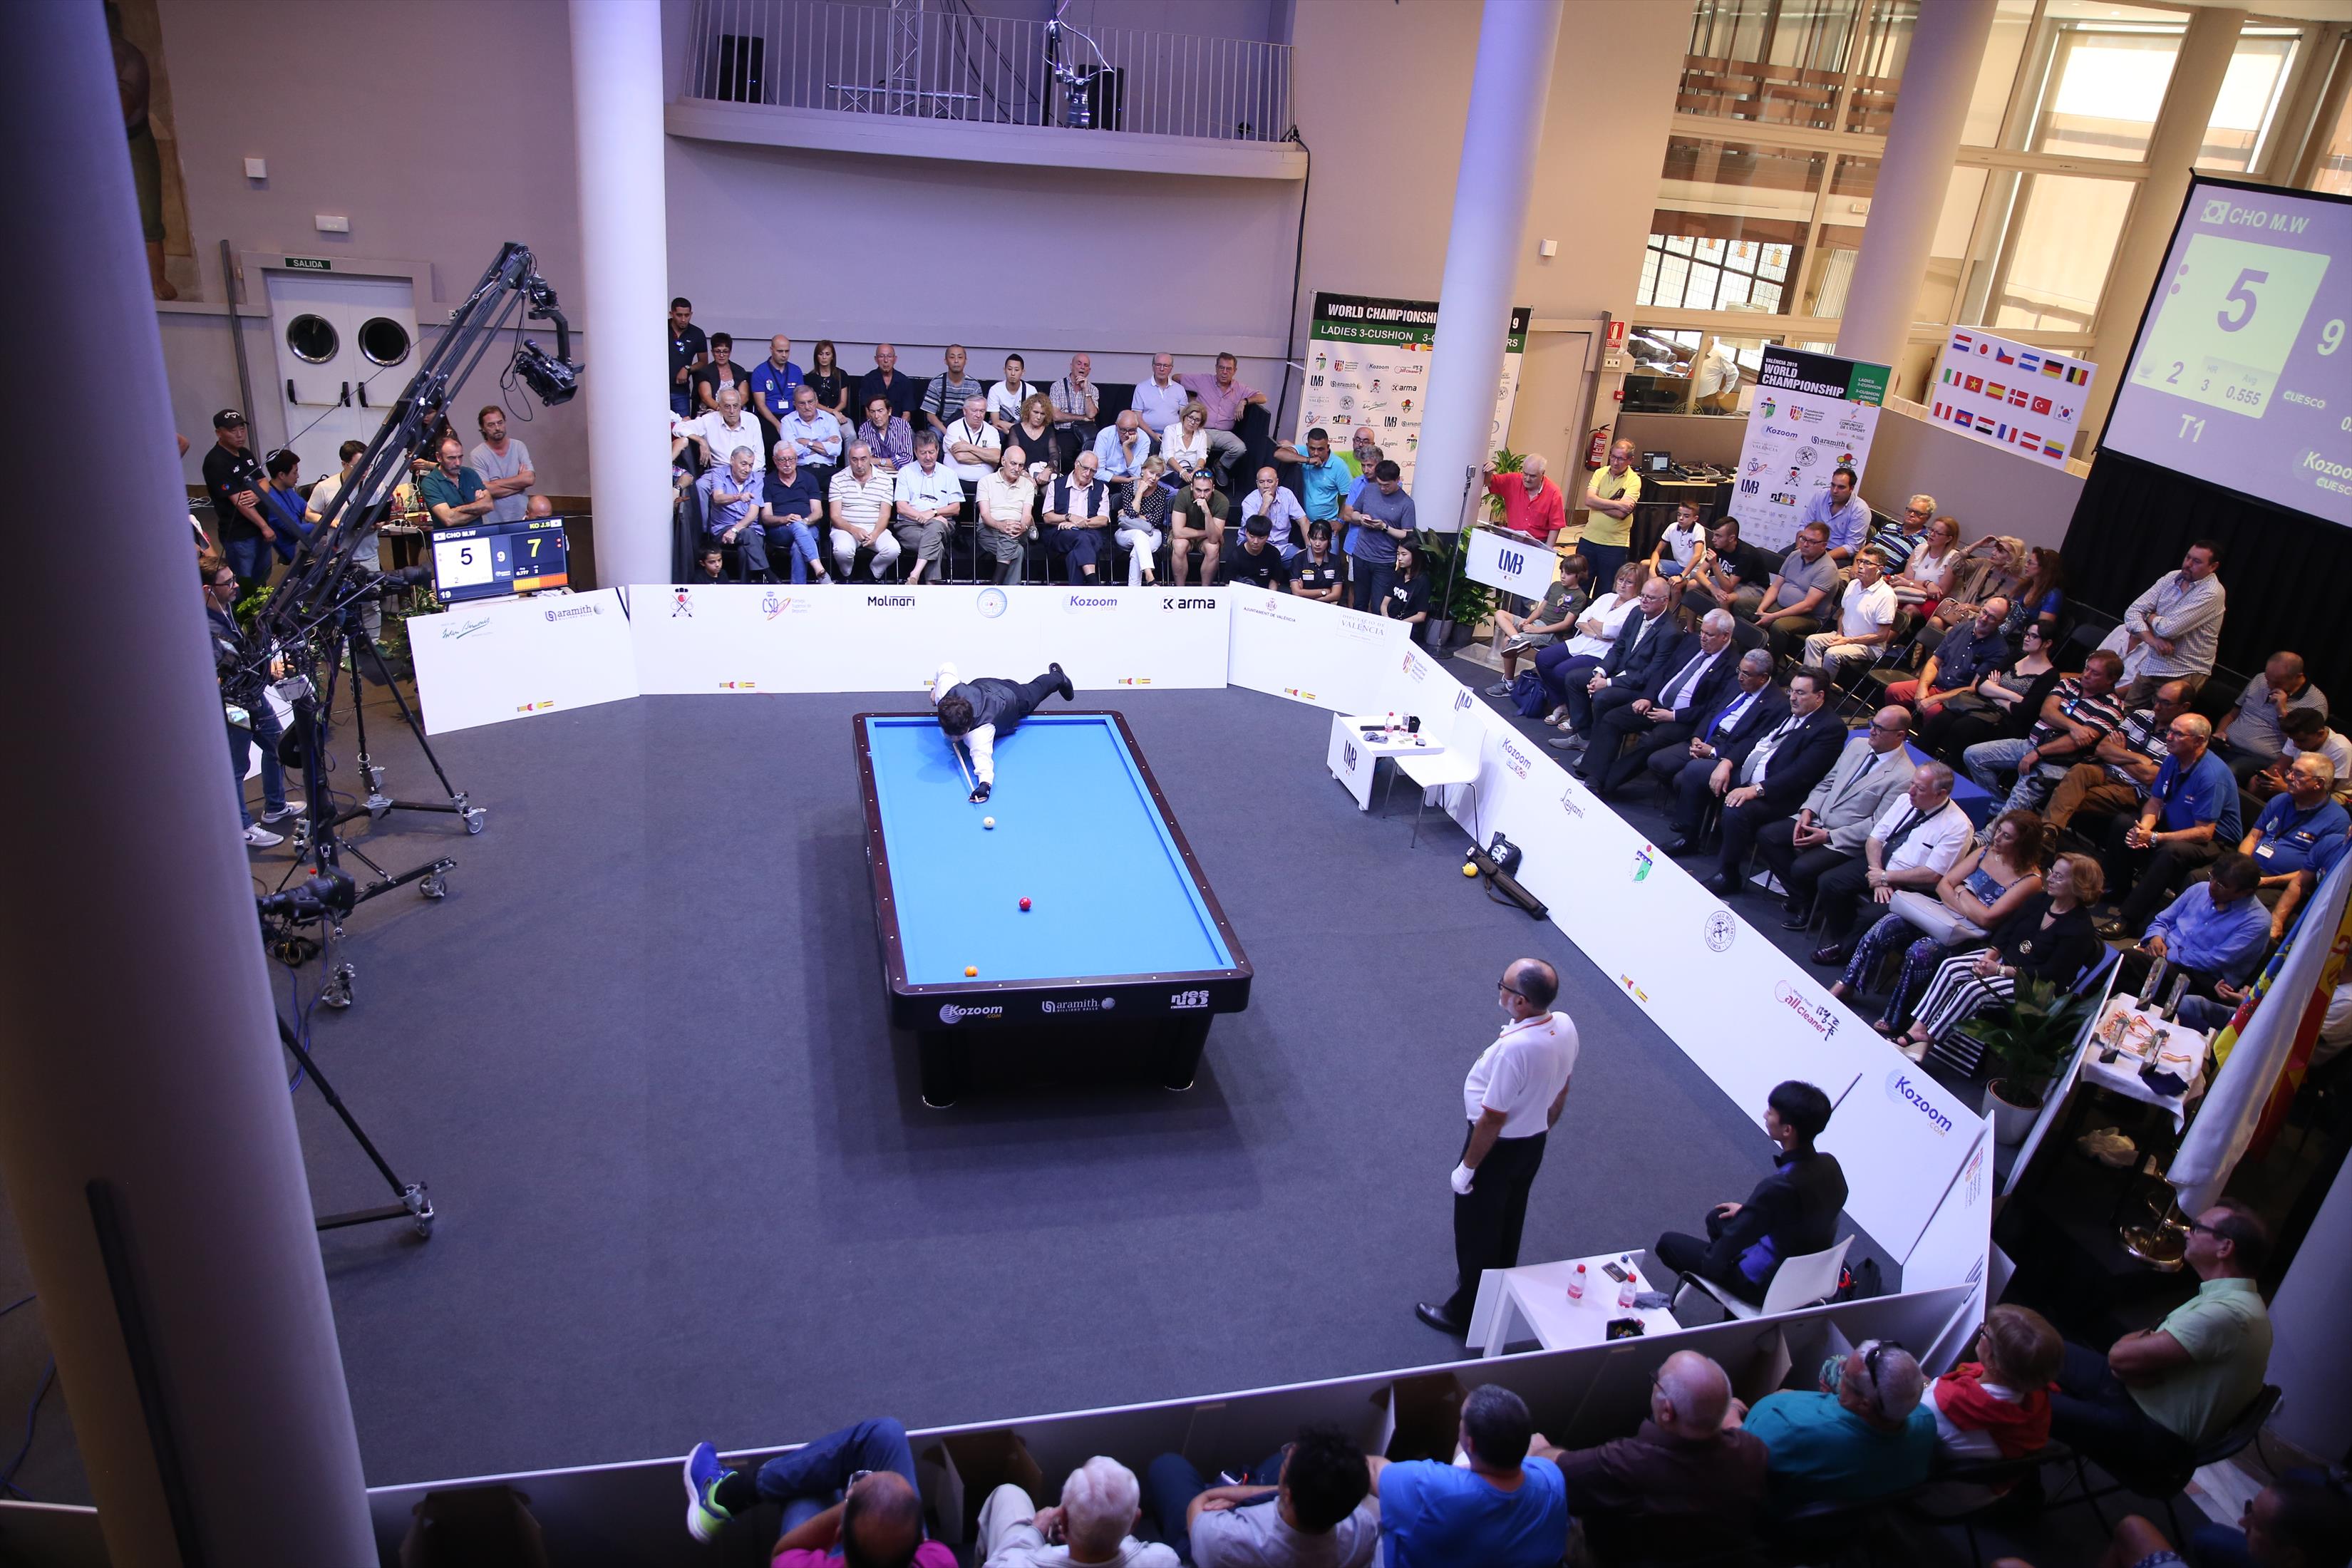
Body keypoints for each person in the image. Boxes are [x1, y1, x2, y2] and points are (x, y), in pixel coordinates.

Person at [2048, 1200, 2273, 1477]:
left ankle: (2022, 1489)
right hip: (2133, 1398)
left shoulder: (2229, 1315)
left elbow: (2119, 1358)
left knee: (2015, 1398)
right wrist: (2139, 1354)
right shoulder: (2236, 1301)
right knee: (2033, 1345)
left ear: (2225, 1248)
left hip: (2150, 1435)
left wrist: (2136, 1353)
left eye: (2197, 1227)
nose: (2187, 1232)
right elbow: (2129, 1358)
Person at [1416, 959, 1577, 1336]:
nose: (1500, 990)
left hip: (1495, 1151)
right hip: (1531, 1144)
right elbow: (1563, 1085)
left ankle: (1465, 1312)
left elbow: (1491, 1119)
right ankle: (1496, 1288)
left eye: (1503, 985)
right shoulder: (1565, 1025)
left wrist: (1468, 1168)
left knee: (1476, 1231)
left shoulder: (1516, 1050)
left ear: (1520, 1001)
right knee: (1509, 1220)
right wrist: (1542, 1125)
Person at [1536, 1350, 1766, 1568]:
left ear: (1667, 1411)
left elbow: (1554, 1471)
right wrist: (1731, 1408)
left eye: (1657, 1380)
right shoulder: (1753, 1450)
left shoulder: (1628, 1462)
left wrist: (1541, 1449)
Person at [1837, 809, 2046, 1036]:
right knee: (1888, 924)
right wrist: (1967, 901)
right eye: (1999, 831)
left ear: (2023, 844)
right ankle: (1847, 983)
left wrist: (1961, 891)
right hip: (1939, 914)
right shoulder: (1985, 851)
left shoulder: (2030, 880)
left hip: (1969, 936)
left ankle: (1897, 1016)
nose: (1997, 838)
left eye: (2007, 836)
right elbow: (1943, 885)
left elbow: (1988, 919)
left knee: (1920, 952)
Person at [1654, 1080, 1846, 1305]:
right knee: (1718, 1218)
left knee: (1668, 1244)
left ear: (1787, 1130)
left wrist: (1714, 1265)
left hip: (1764, 1284)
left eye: (1771, 1113)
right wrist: (1750, 1214)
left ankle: (1737, 1304)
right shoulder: (1830, 1165)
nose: (1765, 1115)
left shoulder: (1779, 1187)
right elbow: (1803, 1213)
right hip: (1801, 1270)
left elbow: (1722, 1252)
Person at [1895, 854, 2103, 1060]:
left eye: (2059, 876)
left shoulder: (2079, 929)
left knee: (1972, 990)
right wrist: (1988, 958)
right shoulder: (2040, 900)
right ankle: (1918, 1029)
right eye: (2052, 872)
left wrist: (2000, 970)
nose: (2050, 878)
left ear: (2079, 885)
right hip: (2004, 960)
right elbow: (2007, 930)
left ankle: (1929, 1040)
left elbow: (2051, 974)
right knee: (1951, 967)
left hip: (2032, 985)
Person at [681, 1418, 951, 1567]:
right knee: (886, 1436)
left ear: (839, 1534)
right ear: (920, 1541)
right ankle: (728, 1495)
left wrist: (850, 1504)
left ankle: (725, 1495)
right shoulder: (938, 1561)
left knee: (807, 1485)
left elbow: (784, 1553)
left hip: (834, 1545)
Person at [1753, 707, 1918, 929]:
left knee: (1802, 868)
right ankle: (1803, 899)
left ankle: (1807, 908)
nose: (1872, 731)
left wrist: (1828, 836)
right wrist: (1808, 810)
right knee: (1768, 836)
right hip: (1818, 818)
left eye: (1880, 728)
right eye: (1872, 723)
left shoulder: (1904, 777)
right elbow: (1828, 783)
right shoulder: (1857, 745)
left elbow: (1877, 825)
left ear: (1900, 735)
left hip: (1844, 839)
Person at [1376, 1385, 1569, 1568]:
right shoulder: (1551, 1480)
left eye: (1461, 1417)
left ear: (1471, 1444)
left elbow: (1373, 1469)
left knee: (1371, 1508)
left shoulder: (1431, 1488)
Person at [1809, 762, 1974, 968]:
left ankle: (1844, 951)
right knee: (1830, 882)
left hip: (1913, 887)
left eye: (1920, 789)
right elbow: (1874, 839)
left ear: (1940, 794)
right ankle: (1846, 941)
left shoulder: (1958, 826)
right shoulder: (1905, 800)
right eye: (1912, 784)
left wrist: (1886, 878)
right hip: (1880, 865)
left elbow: (1932, 874)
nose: (1911, 791)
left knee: (1869, 916)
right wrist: (1879, 875)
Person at [1142, 1425, 1380, 1568]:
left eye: (1288, 1466)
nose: (1289, 1453)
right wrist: (1261, 1493)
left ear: (1288, 1494)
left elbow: (1199, 1505)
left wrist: (1225, 1496)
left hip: (1203, 1542)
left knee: (1167, 1467)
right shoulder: (1364, 1528)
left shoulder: (1225, 1539)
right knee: (1276, 1461)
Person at [1702, 669, 1849, 897]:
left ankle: (1728, 874)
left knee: (1736, 808)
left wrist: (1756, 790)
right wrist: (1727, 762)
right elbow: (1754, 740)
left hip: (1781, 795)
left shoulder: (1830, 728)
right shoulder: (1787, 710)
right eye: (1791, 691)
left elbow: (1801, 774)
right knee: (1698, 772)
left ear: (1819, 696)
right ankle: (1690, 837)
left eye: (1800, 693)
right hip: (1749, 775)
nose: (1793, 698)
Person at [1738, 1340, 1934, 1507]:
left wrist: (1732, 1410)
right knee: (1832, 1363)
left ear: (1864, 1404)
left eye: (1844, 1376)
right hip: (1853, 1512)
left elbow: (1739, 1458)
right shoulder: (1925, 1420)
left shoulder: (1791, 1430)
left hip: (1774, 1507)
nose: (1840, 1370)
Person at [2103, 712, 2242, 927]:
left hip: (2214, 842)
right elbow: (2155, 802)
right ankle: (2116, 888)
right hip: (2178, 825)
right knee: (2125, 823)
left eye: (2178, 734)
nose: (2169, 737)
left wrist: (2155, 837)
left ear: (2199, 741)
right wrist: (2144, 829)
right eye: (2170, 731)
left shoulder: (2211, 776)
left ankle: (2128, 919)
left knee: (2171, 851)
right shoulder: (2173, 760)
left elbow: (2205, 832)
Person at [206, 556, 301, 846]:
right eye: (228, 583)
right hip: (233, 705)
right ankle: (242, 827)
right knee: (237, 765)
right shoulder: (203, 628)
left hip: (252, 694)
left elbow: (239, 656)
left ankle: (275, 806)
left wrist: (265, 668)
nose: (236, 586)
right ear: (208, 590)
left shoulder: (226, 609)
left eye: (234, 579)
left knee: (277, 745)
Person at [1964, 649, 2128, 817]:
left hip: (2059, 762)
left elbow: (2076, 742)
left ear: (2111, 679)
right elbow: (2047, 711)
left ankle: (1993, 827)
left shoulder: (2113, 707)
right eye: (2087, 668)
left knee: (2020, 797)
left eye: (2095, 673)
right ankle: (1998, 808)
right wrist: (2075, 727)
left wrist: (2038, 752)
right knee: (1974, 755)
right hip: (2030, 744)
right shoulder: (2069, 683)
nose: (2086, 675)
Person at [2045, 678, 2198, 840]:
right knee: (2081, 770)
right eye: (2156, 699)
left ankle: (2047, 834)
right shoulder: (2141, 715)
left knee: (2066, 794)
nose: (2157, 707)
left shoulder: (2181, 738)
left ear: (2184, 707)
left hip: (2132, 789)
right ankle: (2048, 834)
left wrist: (2119, 752)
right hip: (2105, 771)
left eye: (2166, 703)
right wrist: (2137, 757)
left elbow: (2149, 776)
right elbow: (2102, 748)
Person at [1656, 648, 1783, 839]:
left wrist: (1714, 752)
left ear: (1763, 678)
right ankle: (1691, 807)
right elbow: (1712, 711)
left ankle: (1691, 830)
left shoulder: (1776, 704)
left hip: (1729, 751)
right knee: (1658, 762)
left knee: (1683, 778)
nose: (1740, 677)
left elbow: (1752, 742)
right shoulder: (1735, 683)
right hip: (1707, 738)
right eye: (1739, 671)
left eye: (1746, 674)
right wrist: (1697, 738)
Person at [2223, 754, 2346, 943]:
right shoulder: (2281, 800)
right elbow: (2253, 836)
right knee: (2202, 879)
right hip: (2250, 870)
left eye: (2298, 774)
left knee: (2239, 903)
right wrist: (2244, 867)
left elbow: (2309, 874)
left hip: (2281, 884)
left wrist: (2265, 881)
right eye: (2291, 771)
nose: (2288, 777)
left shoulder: (2338, 822)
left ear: (2319, 784)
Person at [1554, 574, 1686, 751]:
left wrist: (1608, 683)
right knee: (1574, 678)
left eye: (1650, 598)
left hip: (1638, 685)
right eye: (1643, 595)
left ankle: (1597, 749)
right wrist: (1600, 672)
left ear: (1665, 601)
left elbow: (1650, 675)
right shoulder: (1637, 612)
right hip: (1619, 671)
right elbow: (1618, 648)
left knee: (1603, 696)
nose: (1644, 600)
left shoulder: (1671, 633)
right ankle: (1584, 736)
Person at [975, 1456, 1177, 1568]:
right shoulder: (1164, 1560)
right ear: (1134, 1522)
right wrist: (1094, 1531)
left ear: (1063, 1519)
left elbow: (1003, 1560)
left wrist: (1034, 1532)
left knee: (1009, 1494)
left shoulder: (1015, 1565)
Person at [1929, 1305, 2062, 1464]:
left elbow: (1913, 1411)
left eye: (1986, 1333)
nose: (1982, 1328)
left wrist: (1923, 1384)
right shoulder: (2035, 1393)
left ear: (1994, 1362)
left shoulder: (1944, 1405)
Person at [1919, 621, 2063, 766]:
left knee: (1962, 728)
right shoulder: (2017, 657)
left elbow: (2022, 711)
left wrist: (1993, 691)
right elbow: (1981, 684)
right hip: (1982, 706)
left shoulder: (2050, 676)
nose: (2027, 638)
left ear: (2047, 643)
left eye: (2033, 636)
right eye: (2027, 634)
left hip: (2005, 721)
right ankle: (1917, 764)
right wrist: (2012, 696)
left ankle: (1950, 771)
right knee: (1942, 719)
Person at [933, 661, 1075, 803]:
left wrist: (985, 786)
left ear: (968, 726)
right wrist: (934, 688)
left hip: (1010, 696)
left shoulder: (980, 732)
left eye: (959, 735)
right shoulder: (945, 692)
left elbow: (983, 760)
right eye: (950, 734)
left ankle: (1058, 676)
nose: (955, 738)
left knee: (1034, 691)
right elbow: (947, 666)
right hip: (983, 685)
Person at [2132, 854, 2274, 995]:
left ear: (2245, 892)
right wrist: (2156, 938)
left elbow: (2215, 960)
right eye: (2212, 877)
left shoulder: (2257, 922)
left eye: (2222, 885)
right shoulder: (2200, 889)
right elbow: (2163, 920)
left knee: (2130, 960)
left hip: (2202, 976)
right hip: (2165, 955)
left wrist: (2166, 955)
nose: (2212, 886)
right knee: (2130, 971)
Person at [2106, 540, 2228, 701]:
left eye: (2197, 561)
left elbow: (2168, 630)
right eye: (2188, 557)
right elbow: (2132, 611)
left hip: (2184, 670)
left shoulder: (2212, 593)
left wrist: (2149, 615)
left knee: (2161, 715)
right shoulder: (2172, 577)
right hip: (2153, 662)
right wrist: (2152, 641)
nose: (2188, 564)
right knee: (2128, 710)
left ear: (2213, 567)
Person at [1534, 561, 1647, 728]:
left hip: (1602, 652)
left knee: (1561, 672)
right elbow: (1581, 620)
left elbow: (1611, 631)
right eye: (1621, 579)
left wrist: (1592, 623)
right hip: (1582, 641)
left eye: (1629, 582)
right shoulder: (1606, 597)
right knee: (1543, 658)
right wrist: (1596, 631)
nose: (1623, 585)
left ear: (1638, 586)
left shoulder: (1636, 607)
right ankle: (1561, 704)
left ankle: (1576, 714)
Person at [2217, 651, 2328, 784]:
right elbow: (2232, 714)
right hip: (2225, 744)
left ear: (2298, 677)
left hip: (2259, 758)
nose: (2269, 686)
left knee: (2227, 773)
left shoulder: (2315, 703)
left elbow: (2300, 745)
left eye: (2277, 682)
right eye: (2268, 679)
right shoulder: (2261, 679)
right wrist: (2219, 732)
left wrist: (2282, 712)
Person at [1483, 558, 1589, 696]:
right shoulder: (1555, 586)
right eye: (1562, 572)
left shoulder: (1579, 596)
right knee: (1500, 614)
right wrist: (1527, 621)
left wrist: (1537, 630)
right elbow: (1540, 610)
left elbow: (1566, 624)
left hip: (1551, 634)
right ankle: (1517, 638)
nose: (1563, 576)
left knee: (1507, 643)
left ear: (1578, 575)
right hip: (1537, 624)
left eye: (1568, 573)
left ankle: (1508, 684)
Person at [1888, 594, 2010, 714]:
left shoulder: (1999, 650)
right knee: (1893, 691)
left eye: (1992, 617)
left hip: (1959, 697)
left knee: (1932, 711)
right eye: (1984, 612)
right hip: (1936, 685)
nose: (1984, 618)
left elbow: (1974, 688)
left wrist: (1935, 699)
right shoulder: (1960, 629)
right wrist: (1922, 688)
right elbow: (1934, 662)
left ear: (2001, 622)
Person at [203, 409, 277, 591]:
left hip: (260, 530)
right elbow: (239, 502)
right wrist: (264, 527)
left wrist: (258, 493)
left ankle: (261, 605)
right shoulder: (216, 461)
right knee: (242, 582)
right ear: (219, 433)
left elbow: (263, 481)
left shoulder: (244, 453)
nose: (239, 434)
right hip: (240, 533)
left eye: (242, 429)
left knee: (263, 575)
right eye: (232, 430)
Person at [1800, 547, 1897, 681]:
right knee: (1812, 641)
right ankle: (1809, 682)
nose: (1861, 566)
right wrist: (1840, 634)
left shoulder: (1886, 596)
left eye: (1867, 563)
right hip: (1844, 636)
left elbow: (1882, 635)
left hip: (1868, 646)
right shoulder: (1854, 584)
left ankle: (1821, 688)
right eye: (1860, 561)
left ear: (1879, 569)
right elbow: (1843, 614)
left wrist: (1848, 641)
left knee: (1832, 653)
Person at [1753, 522, 1840, 663]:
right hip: (1781, 605)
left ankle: (1770, 665)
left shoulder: (1827, 569)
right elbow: (1775, 587)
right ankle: (1747, 654)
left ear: (1824, 545)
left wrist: (1773, 616)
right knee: (1743, 606)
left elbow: (1808, 605)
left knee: (1779, 626)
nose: (1805, 544)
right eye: (1803, 539)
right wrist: (1761, 609)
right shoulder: (1794, 555)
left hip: (1809, 617)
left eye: (1812, 542)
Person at [1175, 352, 1264, 485]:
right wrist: (1189, 399)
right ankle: (1199, 481)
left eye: (1229, 369)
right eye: (1221, 368)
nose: (1224, 372)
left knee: (1240, 448)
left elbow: (1263, 398)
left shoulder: (1239, 388)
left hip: (1225, 433)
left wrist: (1244, 401)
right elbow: (1176, 378)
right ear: (1216, 368)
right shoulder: (1203, 380)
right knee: (1201, 448)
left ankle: (1220, 465)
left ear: (1235, 371)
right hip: (1203, 430)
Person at [1342, 461, 1417, 614]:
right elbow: (1353, 513)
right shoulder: (1369, 490)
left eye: (1387, 485)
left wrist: (1384, 527)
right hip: (1361, 555)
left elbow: (1408, 534)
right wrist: (1361, 518)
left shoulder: (1407, 503)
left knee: (1378, 607)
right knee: (1359, 603)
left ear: (1397, 480)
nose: (1382, 488)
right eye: (1380, 484)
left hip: (1384, 561)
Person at [892, 433, 964, 585]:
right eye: (923, 453)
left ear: (938, 450)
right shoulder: (905, 472)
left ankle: (915, 574)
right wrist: (922, 516)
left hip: (943, 524)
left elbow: (956, 508)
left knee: (935, 526)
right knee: (935, 543)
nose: (928, 457)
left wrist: (933, 513)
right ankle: (931, 585)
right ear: (915, 452)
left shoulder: (949, 474)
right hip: (910, 526)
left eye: (931, 452)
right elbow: (901, 507)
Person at [828, 443, 902, 581]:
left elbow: (885, 515)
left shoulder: (885, 480)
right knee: (843, 551)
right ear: (849, 459)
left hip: (875, 528)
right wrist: (854, 530)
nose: (859, 464)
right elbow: (835, 516)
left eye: (863, 459)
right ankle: (847, 574)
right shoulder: (837, 479)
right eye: (854, 459)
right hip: (846, 528)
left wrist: (875, 534)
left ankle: (872, 574)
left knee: (893, 549)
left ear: (871, 457)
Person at [759, 444, 831, 585]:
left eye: (791, 459)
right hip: (780, 531)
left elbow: (818, 512)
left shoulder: (809, 479)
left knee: (799, 545)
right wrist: (785, 519)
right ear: (775, 460)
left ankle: (798, 589)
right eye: (783, 460)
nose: (787, 464)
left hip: (809, 527)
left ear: (797, 459)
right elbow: (766, 517)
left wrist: (804, 522)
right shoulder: (768, 482)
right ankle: (820, 571)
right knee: (798, 530)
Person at [1041, 450, 1114, 584]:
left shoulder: (1101, 488)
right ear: (1076, 464)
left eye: (1093, 471)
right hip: (1061, 533)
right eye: (1085, 468)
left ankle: (1081, 591)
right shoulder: (1056, 485)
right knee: (1082, 538)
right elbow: (1047, 517)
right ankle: (1093, 582)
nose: (1088, 474)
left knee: (1075, 553)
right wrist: (1068, 517)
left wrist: (1078, 523)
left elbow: (1103, 520)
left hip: (1091, 533)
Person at [696, 445, 768, 578]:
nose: (747, 470)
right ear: (732, 461)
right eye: (743, 464)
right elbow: (717, 498)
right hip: (723, 529)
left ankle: (744, 586)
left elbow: (753, 514)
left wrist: (734, 530)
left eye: (751, 465)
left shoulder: (757, 479)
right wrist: (738, 497)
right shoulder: (719, 474)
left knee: (745, 546)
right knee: (747, 533)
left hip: (750, 529)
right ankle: (768, 574)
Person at [1681, 515, 1770, 621]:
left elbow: (1728, 588)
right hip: (1733, 582)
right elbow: (1699, 573)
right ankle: (1689, 628)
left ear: (1731, 538)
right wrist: (1713, 589)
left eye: (1718, 536)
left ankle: (1725, 630)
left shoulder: (1745, 554)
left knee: (1723, 599)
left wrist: (1715, 565)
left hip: (1754, 587)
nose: (1713, 539)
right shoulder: (1719, 546)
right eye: (1714, 534)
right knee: (1692, 584)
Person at [1578, 439, 1641, 586]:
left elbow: (1621, 514)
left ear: (1630, 460)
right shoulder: (1600, 473)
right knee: (1580, 586)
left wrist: (1598, 503)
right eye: (1613, 456)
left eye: (1621, 458)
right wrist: (1618, 504)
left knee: (1605, 589)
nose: (1615, 462)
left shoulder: (1634, 480)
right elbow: (1589, 500)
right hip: (1589, 539)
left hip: (1615, 545)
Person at [1272, 426, 1356, 533]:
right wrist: (1308, 460)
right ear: (1307, 446)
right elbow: (1278, 454)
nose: (1316, 453)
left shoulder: (1339, 466)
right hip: (1301, 524)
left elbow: (1349, 496)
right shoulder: (1303, 452)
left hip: (1326, 526)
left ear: (1328, 447)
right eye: (1312, 449)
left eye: (1320, 449)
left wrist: (1340, 522)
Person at [2261, 708, 2352, 805]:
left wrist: (2287, 788)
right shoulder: (2297, 737)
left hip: (2334, 792)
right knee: (2257, 783)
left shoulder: (2341, 749)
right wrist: (2266, 778)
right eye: (2293, 740)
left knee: (2300, 802)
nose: (2295, 745)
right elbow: (2280, 765)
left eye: (2301, 741)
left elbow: (2324, 790)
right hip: (2297, 780)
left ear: (2320, 733)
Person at [976, 445, 1038, 584]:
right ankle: (1010, 590)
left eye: (1021, 465)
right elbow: (985, 515)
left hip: (1018, 531)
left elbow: (1027, 516)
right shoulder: (986, 481)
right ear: (1003, 461)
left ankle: (996, 584)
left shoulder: (1028, 486)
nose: (1017, 469)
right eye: (1013, 463)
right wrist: (1000, 526)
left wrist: (1022, 527)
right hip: (989, 530)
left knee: (1010, 532)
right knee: (1018, 551)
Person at [468, 405, 535, 523]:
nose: (497, 428)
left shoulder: (519, 446)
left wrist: (494, 483)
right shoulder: (477, 454)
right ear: (483, 428)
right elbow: (486, 490)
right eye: (491, 425)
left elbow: (529, 479)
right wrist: (520, 484)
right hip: (493, 521)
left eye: (500, 423)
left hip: (522, 517)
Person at [1482, 454, 1567, 548]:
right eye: (1525, 474)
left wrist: (1547, 550)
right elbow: (1489, 482)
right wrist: (1489, 471)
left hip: (1538, 544)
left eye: (1533, 476)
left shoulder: (1554, 493)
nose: (1527, 479)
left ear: (1542, 474)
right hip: (1513, 539)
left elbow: (1555, 526)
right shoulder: (1513, 481)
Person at [779, 382, 847, 493]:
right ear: (794, 404)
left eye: (810, 402)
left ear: (816, 401)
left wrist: (807, 443)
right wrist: (824, 443)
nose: (807, 407)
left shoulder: (830, 419)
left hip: (828, 471)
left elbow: (836, 450)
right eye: (802, 403)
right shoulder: (787, 421)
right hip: (801, 471)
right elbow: (791, 452)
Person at [1114, 457, 1172, 587]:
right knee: (1139, 535)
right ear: (1143, 470)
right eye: (1151, 472)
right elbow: (1131, 514)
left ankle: (1134, 590)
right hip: (1126, 531)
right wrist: (1140, 491)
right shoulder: (1128, 486)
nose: (1154, 478)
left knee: (1137, 550)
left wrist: (1134, 514)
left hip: (1152, 533)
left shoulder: (1161, 492)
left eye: (1158, 475)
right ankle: (1150, 577)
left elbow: (1155, 520)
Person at [1797, 464, 1871, 566]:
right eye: (1833, 485)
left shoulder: (1861, 510)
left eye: (1841, 487)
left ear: (1851, 488)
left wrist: (1819, 558)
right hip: (1810, 545)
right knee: (1784, 558)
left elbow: (1851, 547)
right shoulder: (1820, 496)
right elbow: (1804, 526)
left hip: (1837, 553)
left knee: (1814, 569)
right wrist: (1799, 550)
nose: (1835, 491)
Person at [1889, 512, 1963, 612]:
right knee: (1888, 597)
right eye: (1932, 530)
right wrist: (1927, 584)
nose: (1932, 535)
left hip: (1939, 603)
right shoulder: (1920, 549)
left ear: (1949, 539)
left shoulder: (1953, 558)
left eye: (1938, 533)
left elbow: (1938, 595)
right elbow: (1907, 579)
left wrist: (1911, 584)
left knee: (1910, 608)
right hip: (1912, 592)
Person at [1167, 469, 1229, 588]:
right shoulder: (1183, 494)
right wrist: (1207, 532)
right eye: (1198, 490)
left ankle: (1205, 591)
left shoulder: (1222, 501)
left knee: (1213, 548)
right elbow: (1178, 532)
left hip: (1206, 539)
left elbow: (1214, 539)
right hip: (1187, 535)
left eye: (1207, 490)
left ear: (1213, 488)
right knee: (1179, 545)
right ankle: (1180, 590)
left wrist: (1207, 513)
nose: (1202, 495)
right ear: (1191, 487)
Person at [691, 385, 769, 475]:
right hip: (720, 473)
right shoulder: (708, 420)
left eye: (735, 406)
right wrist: (701, 441)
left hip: (750, 472)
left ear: (740, 406)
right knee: (702, 483)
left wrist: (741, 472)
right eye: (727, 406)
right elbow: (680, 428)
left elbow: (760, 459)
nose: (732, 411)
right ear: (719, 407)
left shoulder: (752, 420)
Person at [419, 435, 493, 529]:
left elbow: (489, 505)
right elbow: (449, 520)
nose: (458, 463)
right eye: (452, 458)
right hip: (450, 537)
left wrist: (458, 510)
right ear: (439, 457)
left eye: (460, 457)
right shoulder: (430, 483)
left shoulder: (470, 473)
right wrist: (479, 508)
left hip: (478, 535)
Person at [944, 393, 1003, 510]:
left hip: (985, 482)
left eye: (982, 411)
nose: (978, 415)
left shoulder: (992, 431)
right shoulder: (954, 428)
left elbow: (996, 458)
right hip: (956, 481)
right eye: (974, 411)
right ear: (965, 411)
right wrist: (986, 458)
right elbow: (961, 457)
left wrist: (969, 447)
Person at [1090, 411, 1155, 515]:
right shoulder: (1104, 435)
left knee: (1144, 485)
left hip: (1131, 479)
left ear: (1137, 427)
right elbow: (1097, 472)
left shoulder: (1144, 440)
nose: (1127, 434)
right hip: (1106, 478)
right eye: (1123, 430)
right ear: (1116, 426)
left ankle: (1133, 519)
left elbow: (1138, 474)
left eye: (1132, 430)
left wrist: (1126, 448)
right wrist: (1125, 480)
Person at [256, 448, 314, 562]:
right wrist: (325, 522)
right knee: (337, 544)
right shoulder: (271, 501)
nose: (298, 476)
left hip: (305, 540)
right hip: (294, 549)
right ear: (282, 475)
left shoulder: (288, 490)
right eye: (295, 472)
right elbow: (296, 531)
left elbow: (307, 509)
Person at [1239, 467, 1308, 560]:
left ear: (1277, 482)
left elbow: (1304, 521)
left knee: (1303, 559)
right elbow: (1254, 530)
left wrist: (1309, 549)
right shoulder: (1249, 501)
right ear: (1257, 484)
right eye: (1262, 482)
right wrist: (1265, 505)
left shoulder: (1287, 494)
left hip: (1282, 547)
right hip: (1256, 545)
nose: (1266, 486)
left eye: (1270, 481)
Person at [747, 333, 804, 439]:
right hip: (769, 417)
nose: (784, 355)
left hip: (793, 416)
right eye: (780, 351)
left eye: (787, 351)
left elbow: (801, 399)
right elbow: (760, 405)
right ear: (771, 350)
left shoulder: (796, 371)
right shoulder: (760, 372)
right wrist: (778, 425)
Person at [919, 343, 982, 434]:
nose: (956, 361)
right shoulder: (936, 383)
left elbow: (979, 412)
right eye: (952, 357)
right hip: (941, 426)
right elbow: (930, 415)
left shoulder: (974, 385)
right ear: (945, 361)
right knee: (933, 435)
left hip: (966, 427)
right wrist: (947, 432)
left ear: (966, 361)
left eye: (960, 357)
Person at [1049, 351, 1100, 465]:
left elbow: (1091, 414)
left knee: (1095, 454)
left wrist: (1086, 390)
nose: (1082, 367)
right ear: (1071, 366)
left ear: (1089, 370)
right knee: (1065, 455)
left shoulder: (1093, 389)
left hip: (1086, 431)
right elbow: (1056, 416)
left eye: (1086, 365)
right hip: (1065, 431)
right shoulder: (1057, 386)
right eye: (1079, 363)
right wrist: (1082, 418)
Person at [855, 343, 922, 426]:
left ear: (895, 359)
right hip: (874, 425)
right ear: (876, 359)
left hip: (899, 427)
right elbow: (868, 414)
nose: (886, 360)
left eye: (889, 356)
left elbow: (907, 415)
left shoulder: (904, 381)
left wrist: (895, 430)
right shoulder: (868, 380)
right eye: (881, 356)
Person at [691, 331, 755, 416]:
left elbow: (744, 396)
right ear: (712, 352)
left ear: (730, 352)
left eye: (725, 351)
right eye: (718, 351)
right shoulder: (705, 372)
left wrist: (733, 410)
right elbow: (706, 397)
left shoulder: (739, 371)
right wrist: (722, 411)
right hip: (713, 411)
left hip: (735, 411)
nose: (722, 355)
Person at [1130, 351, 1187, 440]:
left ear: (1171, 369)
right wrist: (1153, 434)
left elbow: (1184, 416)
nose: (1162, 369)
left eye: (1166, 366)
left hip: (1174, 434)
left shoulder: (1179, 389)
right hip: (1147, 434)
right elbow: (1137, 416)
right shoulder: (1141, 388)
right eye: (1158, 365)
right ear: (1153, 367)